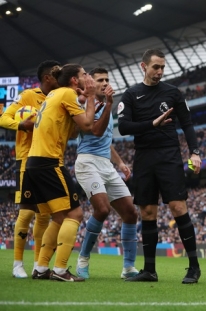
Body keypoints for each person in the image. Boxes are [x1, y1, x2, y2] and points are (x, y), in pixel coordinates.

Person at [117, 48, 202, 283]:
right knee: (147, 212)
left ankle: (194, 267)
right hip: (144, 157)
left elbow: (187, 124)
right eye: (156, 67)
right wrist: (151, 124)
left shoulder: (173, 93)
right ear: (144, 67)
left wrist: (195, 152)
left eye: (163, 67)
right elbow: (123, 128)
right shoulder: (131, 95)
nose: (160, 71)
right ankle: (149, 271)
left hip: (169, 156)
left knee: (178, 207)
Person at [21, 64, 97, 282]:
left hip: (34, 163)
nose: (87, 78)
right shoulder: (67, 94)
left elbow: (71, 133)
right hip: (49, 162)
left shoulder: (55, 94)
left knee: (59, 216)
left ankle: (41, 268)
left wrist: (81, 103)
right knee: (75, 214)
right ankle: (61, 270)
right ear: (74, 80)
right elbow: (87, 125)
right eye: (84, 75)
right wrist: (90, 98)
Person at [74, 67, 140, 279]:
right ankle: (83, 259)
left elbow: (105, 141)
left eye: (106, 79)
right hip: (87, 163)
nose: (104, 82)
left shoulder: (107, 107)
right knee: (102, 209)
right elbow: (95, 130)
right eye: (99, 79)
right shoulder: (85, 103)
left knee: (130, 213)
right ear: (90, 83)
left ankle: (128, 267)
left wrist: (120, 163)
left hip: (105, 165)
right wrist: (110, 104)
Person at [0, 60, 60, 278]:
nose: (60, 77)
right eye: (56, 74)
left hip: (50, 161)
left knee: (44, 216)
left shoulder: (59, 97)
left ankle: (38, 265)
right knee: (26, 212)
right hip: (27, 159)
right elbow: (4, 117)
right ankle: (17, 264)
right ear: (47, 77)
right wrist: (20, 125)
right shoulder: (27, 96)